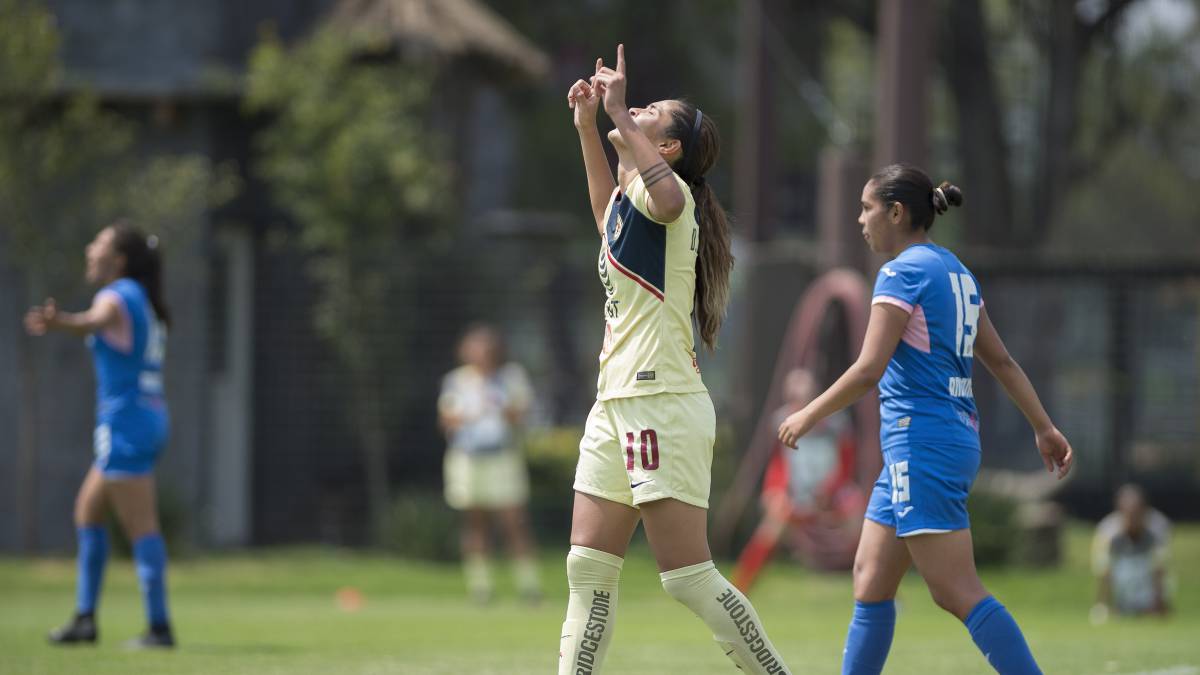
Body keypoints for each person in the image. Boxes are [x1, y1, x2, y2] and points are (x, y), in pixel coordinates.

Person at [778, 164, 1074, 675]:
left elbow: (869, 368)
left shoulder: (902, 272)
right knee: (871, 579)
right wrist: (1043, 426)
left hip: (923, 444)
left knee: (956, 591)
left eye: (867, 208)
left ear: (896, 212)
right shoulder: (955, 271)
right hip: (937, 443)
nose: (860, 219)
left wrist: (807, 414)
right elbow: (1000, 360)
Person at [558, 45, 791, 674]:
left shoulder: (673, 201)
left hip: (661, 402)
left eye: (651, 112)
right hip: (616, 403)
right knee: (586, 567)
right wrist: (589, 128)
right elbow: (606, 213)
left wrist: (615, 115)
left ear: (668, 151)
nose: (637, 106)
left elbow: (663, 203)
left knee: (686, 578)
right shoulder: (633, 199)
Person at [25, 222, 176, 648]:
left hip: (126, 422)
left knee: (141, 525)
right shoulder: (143, 298)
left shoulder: (117, 294)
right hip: (146, 415)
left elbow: (97, 320)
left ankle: (160, 627)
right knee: (88, 511)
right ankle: (85, 618)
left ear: (119, 259)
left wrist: (62, 323)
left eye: (99, 243)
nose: (90, 249)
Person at [438, 323, 540, 604]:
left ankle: (528, 586)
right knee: (475, 522)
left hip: (503, 457)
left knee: (513, 521)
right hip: (468, 459)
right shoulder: (456, 381)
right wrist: (473, 411)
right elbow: (447, 420)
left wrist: (500, 405)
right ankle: (481, 587)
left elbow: (521, 413)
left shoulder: (511, 377)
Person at [1091, 484, 1171, 619]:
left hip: (1147, 585)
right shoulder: (1108, 531)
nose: (1132, 518)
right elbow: (1104, 570)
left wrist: (1159, 604)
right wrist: (1102, 604)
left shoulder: (1158, 527)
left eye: (1136, 513)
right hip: (1122, 586)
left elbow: (1160, 568)